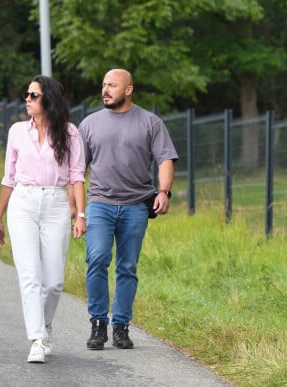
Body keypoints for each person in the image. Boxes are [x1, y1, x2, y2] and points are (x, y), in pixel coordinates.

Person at [78, 69, 178, 350]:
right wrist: (77, 209)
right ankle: (98, 323)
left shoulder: (150, 122)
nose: (105, 90)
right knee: (96, 259)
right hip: (99, 204)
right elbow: (77, 170)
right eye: (103, 85)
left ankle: (121, 325)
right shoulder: (89, 124)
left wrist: (164, 191)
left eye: (112, 85)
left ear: (129, 89)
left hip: (136, 205)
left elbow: (165, 159)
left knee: (127, 267)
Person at [0, 75, 86, 364]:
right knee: (30, 275)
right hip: (23, 202)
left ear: (49, 99)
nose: (28, 100)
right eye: (27, 95)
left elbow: (76, 176)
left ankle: (44, 325)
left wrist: (80, 214)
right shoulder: (17, 131)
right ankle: (37, 339)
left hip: (57, 203)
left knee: (55, 280)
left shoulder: (69, 133)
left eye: (33, 95)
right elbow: (9, 177)